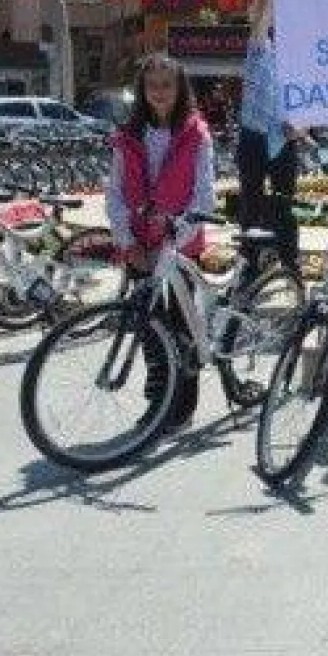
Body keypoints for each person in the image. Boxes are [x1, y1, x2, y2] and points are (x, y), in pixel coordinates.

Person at [107, 54, 216, 431]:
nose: (159, 92)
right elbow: (115, 195)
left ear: (179, 88)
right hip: (139, 247)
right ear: (142, 90)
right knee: (149, 330)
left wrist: (177, 236)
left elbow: (204, 196)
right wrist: (126, 240)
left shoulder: (195, 134)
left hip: (180, 245)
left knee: (182, 326)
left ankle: (183, 405)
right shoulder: (128, 136)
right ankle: (157, 403)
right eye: (152, 85)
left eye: (167, 85)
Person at [235, 0, 303, 274]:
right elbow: (261, 13)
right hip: (253, 136)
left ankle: (289, 265)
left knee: (285, 206)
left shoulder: (302, 63)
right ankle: (250, 264)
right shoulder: (260, 51)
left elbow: (311, 107)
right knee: (251, 201)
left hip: (284, 141)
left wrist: (298, 128)